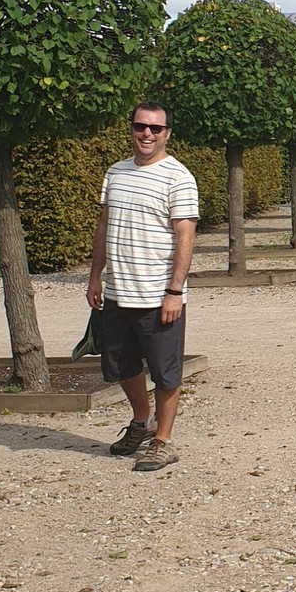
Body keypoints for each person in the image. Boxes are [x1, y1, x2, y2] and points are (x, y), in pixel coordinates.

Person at [87, 101, 199, 472]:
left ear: (167, 133)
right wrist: (95, 275)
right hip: (118, 291)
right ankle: (141, 422)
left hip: (157, 293)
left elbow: (185, 235)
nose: (146, 134)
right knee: (121, 366)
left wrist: (175, 290)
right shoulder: (115, 173)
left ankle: (163, 441)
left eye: (155, 128)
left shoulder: (177, 177)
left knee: (166, 371)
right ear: (132, 129)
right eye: (140, 127)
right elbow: (104, 226)